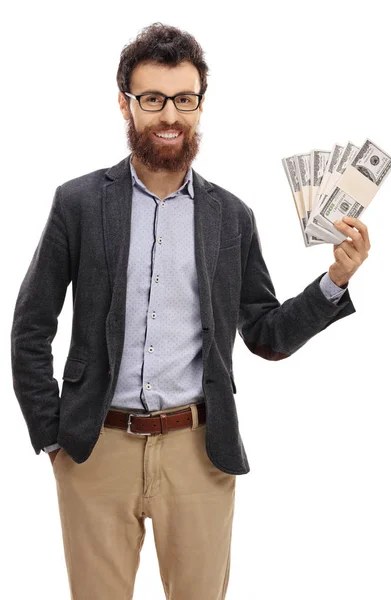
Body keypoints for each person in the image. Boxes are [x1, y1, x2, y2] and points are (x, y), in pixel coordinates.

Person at [10, 22, 370, 600]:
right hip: (94, 450)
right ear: (125, 105)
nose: (169, 116)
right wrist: (51, 437)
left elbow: (265, 334)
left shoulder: (231, 216)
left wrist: (336, 279)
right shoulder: (77, 203)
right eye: (152, 99)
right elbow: (31, 326)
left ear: (200, 105)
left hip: (200, 451)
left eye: (184, 99)